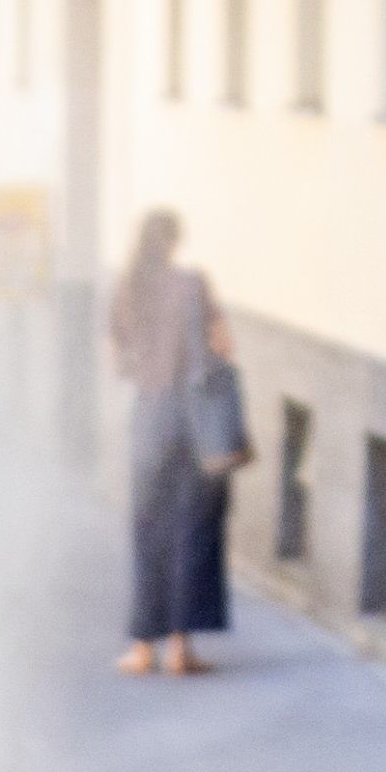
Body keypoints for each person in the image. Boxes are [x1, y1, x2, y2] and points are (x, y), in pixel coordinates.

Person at [109, 208, 239, 677]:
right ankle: (182, 648)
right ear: (176, 240)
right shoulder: (193, 284)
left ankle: (144, 647)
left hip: (150, 417)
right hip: (195, 421)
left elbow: (117, 358)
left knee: (149, 529)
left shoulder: (129, 287)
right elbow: (223, 344)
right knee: (194, 530)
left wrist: (147, 367)